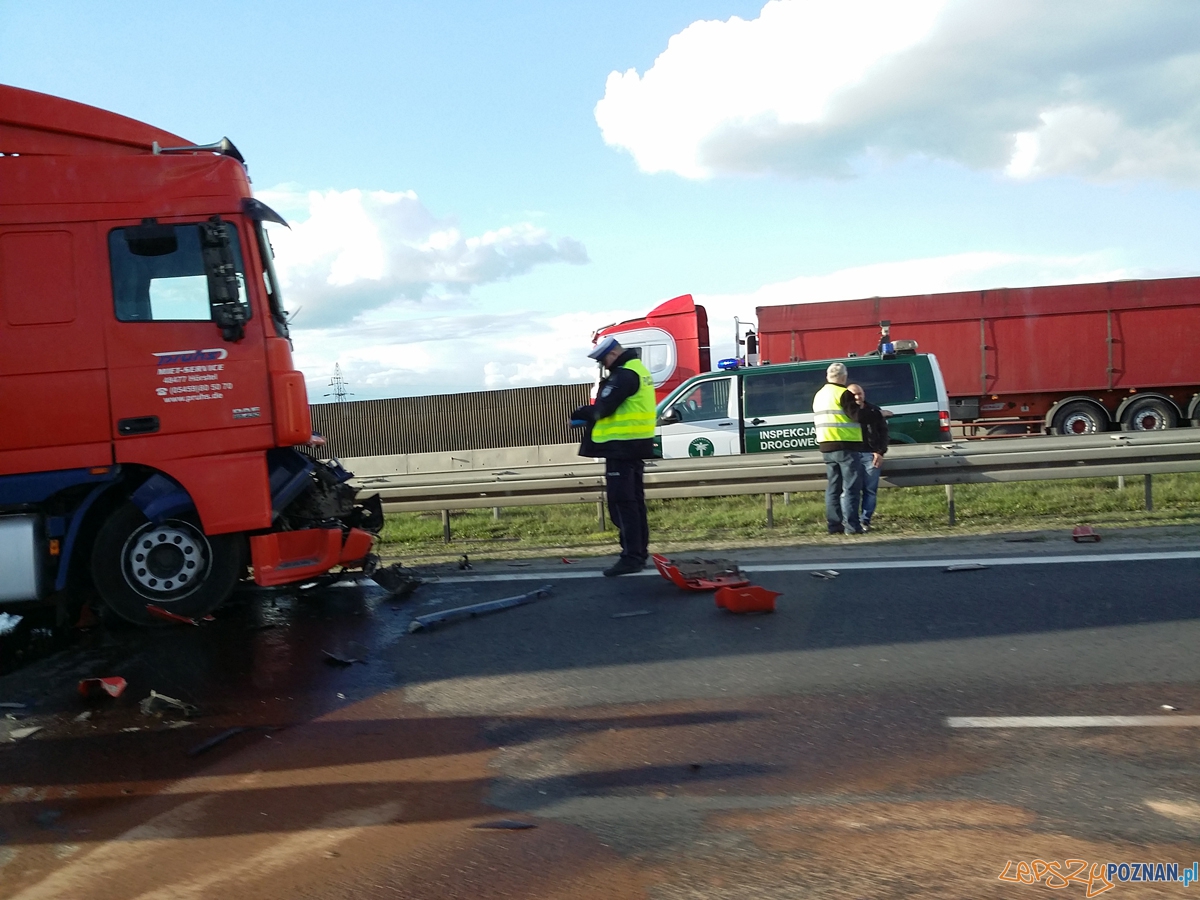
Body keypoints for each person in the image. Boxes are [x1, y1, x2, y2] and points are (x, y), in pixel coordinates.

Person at [570, 336, 657, 576]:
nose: (603, 366)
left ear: (612, 355)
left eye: (603, 360)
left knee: (623, 504)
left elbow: (602, 408)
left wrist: (579, 413)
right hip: (634, 446)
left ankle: (631, 557)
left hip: (621, 448)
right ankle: (638, 554)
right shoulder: (638, 370)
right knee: (634, 503)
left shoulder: (624, 375)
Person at [812, 362, 865, 535]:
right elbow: (856, 416)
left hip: (826, 446)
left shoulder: (819, 395)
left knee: (833, 488)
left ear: (828, 376)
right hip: (846, 445)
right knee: (851, 488)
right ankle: (852, 526)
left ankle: (834, 526)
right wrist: (875, 413)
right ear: (844, 377)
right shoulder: (844, 393)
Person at [847, 383, 889, 532]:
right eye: (854, 394)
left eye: (860, 393)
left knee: (870, 490)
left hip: (871, 455)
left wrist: (880, 452)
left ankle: (865, 521)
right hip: (851, 454)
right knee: (850, 490)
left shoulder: (873, 410)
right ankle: (849, 522)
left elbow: (883, 433)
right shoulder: (845, 413)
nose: (858, 397)